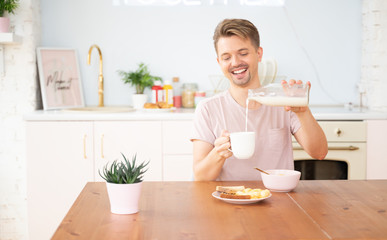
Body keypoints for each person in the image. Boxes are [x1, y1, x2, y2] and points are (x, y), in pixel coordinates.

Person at [191, 18, 328, 181]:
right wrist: (218, 153)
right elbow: (200, 177)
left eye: (243, 53)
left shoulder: (284, 102)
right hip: (229, 200)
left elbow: (319, 152)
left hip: (277, 200)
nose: (235, 62)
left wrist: (303, 112)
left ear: (259, 54)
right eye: (226, 57)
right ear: (219, 62)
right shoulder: (208, 108)